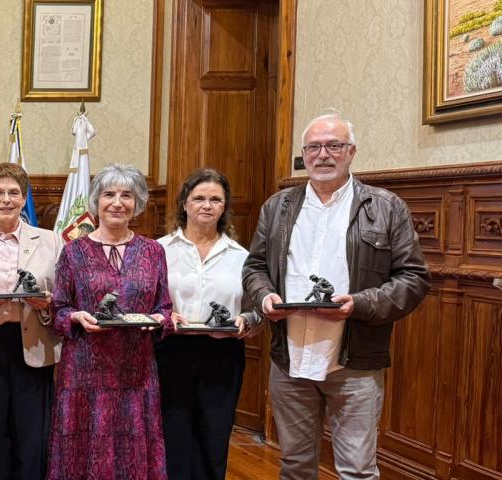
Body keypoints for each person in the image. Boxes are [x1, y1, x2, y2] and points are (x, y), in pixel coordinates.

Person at [243, 112, 430, 479]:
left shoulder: (385, 207)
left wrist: (359, 304)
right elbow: (255, 268)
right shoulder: (277, 207)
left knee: (357, 470)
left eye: (334, 146)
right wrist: (264, 297)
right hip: (289, 361)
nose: (323, 155)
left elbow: (414, 278)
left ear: (351, 151)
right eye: (314, 147)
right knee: (295, 466)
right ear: (303, 153)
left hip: (354, 363)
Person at [48, 164, 172, 479]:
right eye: (109, 194)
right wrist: (76, 316)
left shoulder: (153, 251)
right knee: (82, 451)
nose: (117, 203)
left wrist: (159, 318)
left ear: (138, 202)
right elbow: (58, 309)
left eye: (126, 195)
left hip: (136, 370)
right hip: (84, 371)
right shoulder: (73, 252)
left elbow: (165, 306)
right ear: (96, 202)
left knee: (132, 453)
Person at [155, 168, 264, 480]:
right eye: (199, 198)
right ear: (184, 204)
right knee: (172, 437)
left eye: (215, 199)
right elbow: (143, 302)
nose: (207, 205)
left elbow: (257, 310)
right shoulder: (158, 250)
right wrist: (162, 315)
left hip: (222, 354)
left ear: (224, 206)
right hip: (169, 351)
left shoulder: (243, 257)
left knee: (213, 437)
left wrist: (245, 320)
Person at [0, 162, 62, 480]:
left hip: (32, 347)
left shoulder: (51, 241)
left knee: (30, 438)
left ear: (23, 198)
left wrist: (45, 305)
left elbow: (64, 298)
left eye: (14, 193)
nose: (6, 199)